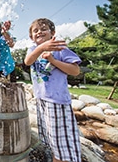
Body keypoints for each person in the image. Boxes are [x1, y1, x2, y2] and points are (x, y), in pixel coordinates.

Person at [24, 18, 82, 162]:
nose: (39, 32)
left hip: (57, 102)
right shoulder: (33, 50)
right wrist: (42, 48)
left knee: (62, 145)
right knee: (51, 141)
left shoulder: (60, 48)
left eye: (44, 29)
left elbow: (75, 70)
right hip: (42, 100)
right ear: (31, 37)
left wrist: (53, 61)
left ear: (53, 33)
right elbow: (28, 61)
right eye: (35, 31)